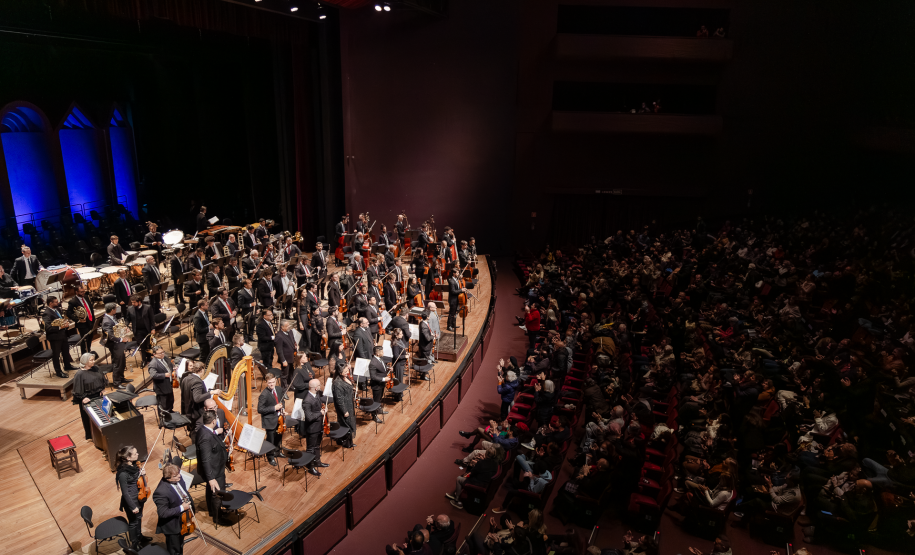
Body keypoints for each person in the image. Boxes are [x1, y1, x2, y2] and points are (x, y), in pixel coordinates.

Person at [196, 411, 230, 525]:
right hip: (214, 471)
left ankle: (212, 511)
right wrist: (211, 478)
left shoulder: (205, 430)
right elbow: (206, 459)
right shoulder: (206, 437)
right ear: (214, 421)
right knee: (217, 494)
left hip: (216, 468)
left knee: (211, 491)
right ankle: (218, 518)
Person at [115, 445, 152, 550]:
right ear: (128, 458)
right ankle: (134, 544)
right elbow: (125, 493)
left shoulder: (135, 465)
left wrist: (142, 474)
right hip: (131, 501)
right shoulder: (123, 473)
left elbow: (137, 480)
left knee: (139, 518)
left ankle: (140, 537)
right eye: (135, 453)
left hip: (140, 496)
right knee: (133, 523)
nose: (138, 454)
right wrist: (132, 507)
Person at [446, 444, 500, 510]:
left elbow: (473, 473)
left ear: (486, 454)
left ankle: (457, 501)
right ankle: (456, 493)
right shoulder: (496, 463)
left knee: (459, 479)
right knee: (465, 475)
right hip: (487, 483)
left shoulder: (481, 463)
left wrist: (469, 473)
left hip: (478, 484)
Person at [154, 463, 192, 555]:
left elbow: (184, 490)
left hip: (183, 520)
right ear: (168, 478)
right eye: (175, 476)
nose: (179, 476)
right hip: (172, 526)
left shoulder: (178, 477)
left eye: (179, 473)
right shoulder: (161, 492)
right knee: (174, 550)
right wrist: (182, 507)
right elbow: (163, 513)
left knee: (180, 544)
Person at [73, 352, 107, 441]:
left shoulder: (96, 368)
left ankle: (101, 433)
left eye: (93, 359)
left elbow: (101, 379)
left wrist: (102, 389)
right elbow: (77, 390)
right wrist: (83, 397)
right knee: (89, 419)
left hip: (98, 396)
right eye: (91, 360)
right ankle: (91, 436)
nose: (93, 361)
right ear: (85, 361)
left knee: (101, 415)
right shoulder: (79, 374)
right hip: (87, 399)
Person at [42, 296, 78, 378]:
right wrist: (60, 327)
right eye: (55, 302)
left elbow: (60, 321)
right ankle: (58, 372)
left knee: (65, 352)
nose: (57, 303)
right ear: (50, 303)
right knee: (56, 355)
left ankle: (67, 365)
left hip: (63, 334)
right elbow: (48, 328)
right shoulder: (46, 313)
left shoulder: (58, 310)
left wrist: (65, 324)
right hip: (55, 337)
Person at [180, 361, 222, 428]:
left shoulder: (185, 378)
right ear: (201, 370)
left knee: (193, 432)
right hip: (196, 414)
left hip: (187, 412)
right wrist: (211, 392)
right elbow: (197, 398)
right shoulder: (197, 381)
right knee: (196, 433)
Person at [302, 378, 329, 476]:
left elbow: (318, 405)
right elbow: (309, 417)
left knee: (317, 446)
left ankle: (317, 462)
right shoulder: (307, 401)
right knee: (311, 448)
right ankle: (310, 466)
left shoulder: (316, 394)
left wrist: (323, 407)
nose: (321, 386)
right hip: (312, 428)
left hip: (319, 426)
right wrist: (320, 413)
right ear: (316, 388)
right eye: (319, 385)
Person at [257, 373, 285, 466]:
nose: (272, 384)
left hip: (279, 418)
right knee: (270, 440)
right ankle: (270, 457)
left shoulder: (278, 389)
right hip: (269, 421)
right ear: (266, 382)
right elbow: (260, 409)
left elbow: (282, 401)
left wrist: (282, 409)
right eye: (269, 383)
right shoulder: (264, 395)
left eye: (273, 382)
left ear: (276, 380)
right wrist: (274, 408)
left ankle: (277, 451)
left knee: (279, 436)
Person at [101, 303, 130, 387]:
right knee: (117, 363)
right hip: (114, 344)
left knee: (122, 361)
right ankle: (117, 382)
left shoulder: (112, 316)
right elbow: (110, 336)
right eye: (115, 309)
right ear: (112, 310)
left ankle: (121, 378)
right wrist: (121, 339)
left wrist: (124, 329)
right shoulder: (106, 321)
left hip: (118, 343)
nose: (116, 310)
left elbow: (116, 327)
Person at [332, 363, 357, 448]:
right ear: (340, 372)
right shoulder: (337, 383)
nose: (347, 372)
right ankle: (346, 443)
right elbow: (339, 399)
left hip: (349, 404)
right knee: (346, 424)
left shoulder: (344, 378)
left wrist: (352, 388)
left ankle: (347, 441)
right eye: (345, 371)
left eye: (347, 370)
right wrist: (344, 410)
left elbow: (348, 386)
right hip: (344, 407)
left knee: (350, 423)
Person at [127, 296, 154, 365]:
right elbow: (127, 319)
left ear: (139, 302)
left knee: (148, 345)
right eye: (132, 302)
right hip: (137, 331)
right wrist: (126, 325)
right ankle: (143, 361)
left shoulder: (147, 307)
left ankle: (149, 358)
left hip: (147, 330)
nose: (132, 304)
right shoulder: (130, 309)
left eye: (134, 302)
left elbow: (152, 319)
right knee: (142, 346)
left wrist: (153, 328)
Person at [149, 346, 177, 412]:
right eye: (160, 353)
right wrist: (164, 375)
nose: (162, 354)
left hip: (168, 384)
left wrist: (173, 368)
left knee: (170, 400)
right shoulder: (153, 364)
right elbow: (153, 375)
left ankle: (170, 412)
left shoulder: (165, 358)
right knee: (163, 405)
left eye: (163, 352)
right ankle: (163, 419)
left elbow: (170, 364)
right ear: (154, 354)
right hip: (161, 387)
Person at [369, 345, 391, 422]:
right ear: (377, 353)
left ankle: (378, 410)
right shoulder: (372, 363)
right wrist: (384, 379)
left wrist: (388, 368)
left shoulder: (380, 359)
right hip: (376, 385)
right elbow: (373, 377)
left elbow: (383, 367)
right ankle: (374, 415)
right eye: (382, 351)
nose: (383, 352)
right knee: (376, 401)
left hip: (381, 384)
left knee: (379, 398)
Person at [275, 319, 297, 391]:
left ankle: (290, 386)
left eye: (289, 325)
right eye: (287, 326)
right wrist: (283, 360)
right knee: (284, 375)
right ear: (282, 327)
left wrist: (295, 346)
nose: (289, 327)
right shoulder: (279, 336)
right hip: (285, 359)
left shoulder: (290, 331)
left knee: (291, 372)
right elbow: (279, 350)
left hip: (291, 357)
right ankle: (284, 390)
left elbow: (292, 340)